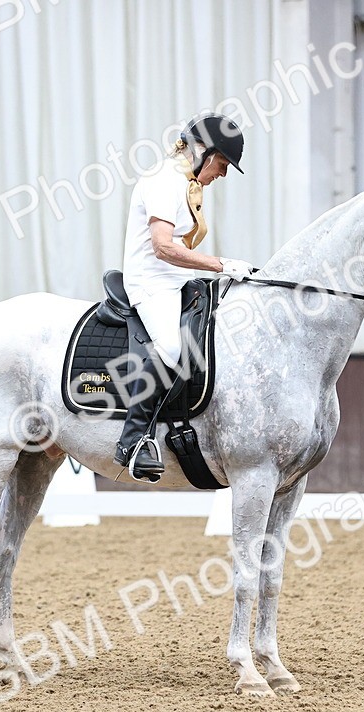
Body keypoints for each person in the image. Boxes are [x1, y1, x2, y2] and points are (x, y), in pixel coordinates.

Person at [113, 113, 254, 481]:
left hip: (177, 280)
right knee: (171, 348)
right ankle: (134, 440)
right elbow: (162, 247)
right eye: (223, 163)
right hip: (151, 283)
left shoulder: (187, 183)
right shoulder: (162, 180)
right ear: (203, 151)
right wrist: (221, 264)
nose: (223, 173)